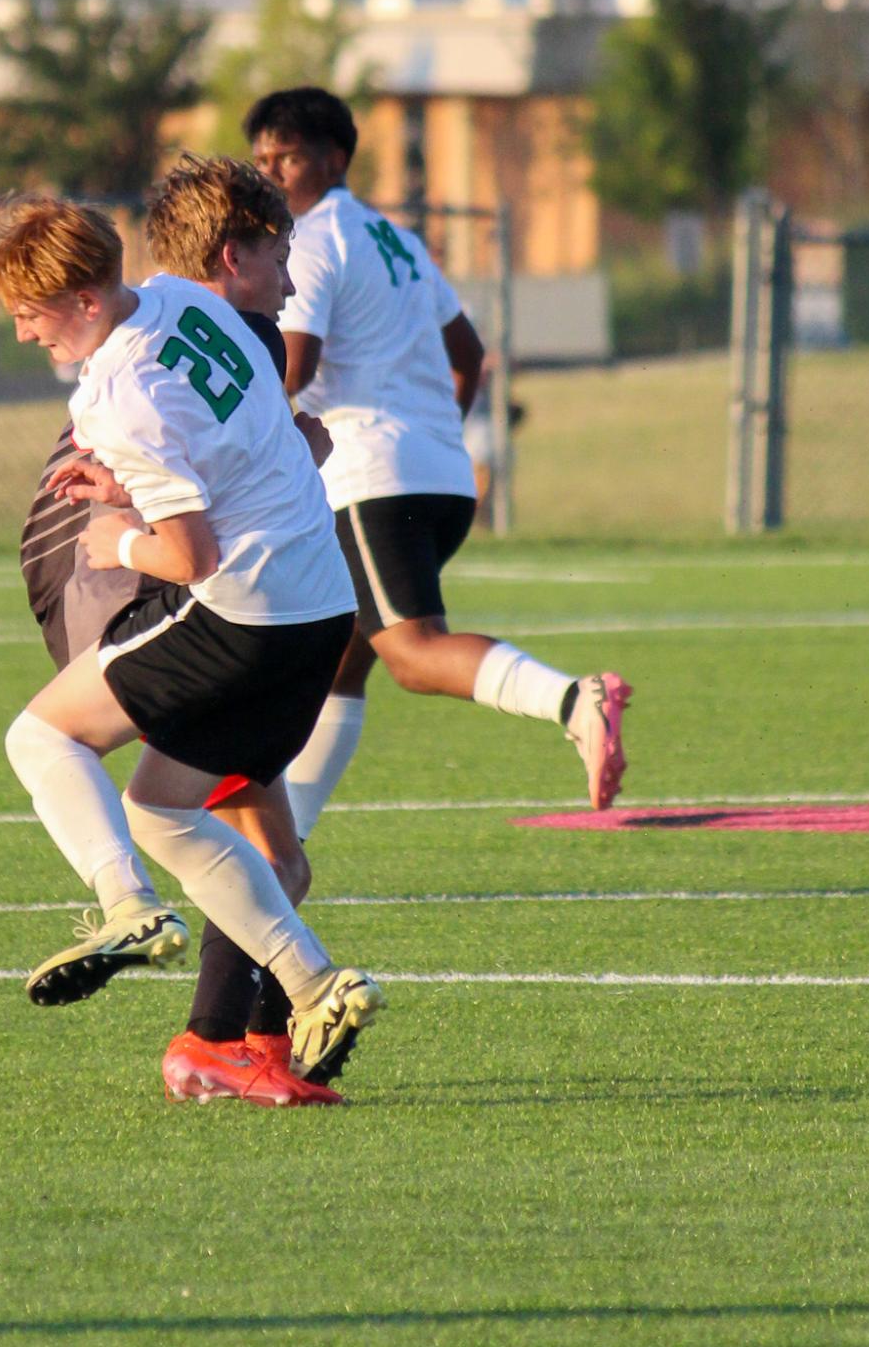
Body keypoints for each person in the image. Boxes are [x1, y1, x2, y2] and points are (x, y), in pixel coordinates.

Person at [0, 198, 383, 1088]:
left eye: (29, 312)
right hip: (318, 611)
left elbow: (188, 553)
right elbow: (259, 443)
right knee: (164, 807)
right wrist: (127, 483)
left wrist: (114, 538)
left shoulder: (116, 394)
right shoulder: (186, 300)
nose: (21, 333)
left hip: (242, 612)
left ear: (84, 300)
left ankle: (125, 907)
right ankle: (314, 982)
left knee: (41, 736)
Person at [245, 86, 631, 836]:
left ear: (335, 157)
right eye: (260, 160)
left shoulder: (316, 240)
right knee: (339, 663)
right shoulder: (395, 239)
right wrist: (433, 435)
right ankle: (282, 846)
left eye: (285, 156)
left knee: (413, 654)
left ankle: (571, 701)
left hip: (367, 477)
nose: (270, 173)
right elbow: (469, 353)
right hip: (439, 476)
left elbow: (293, 366)